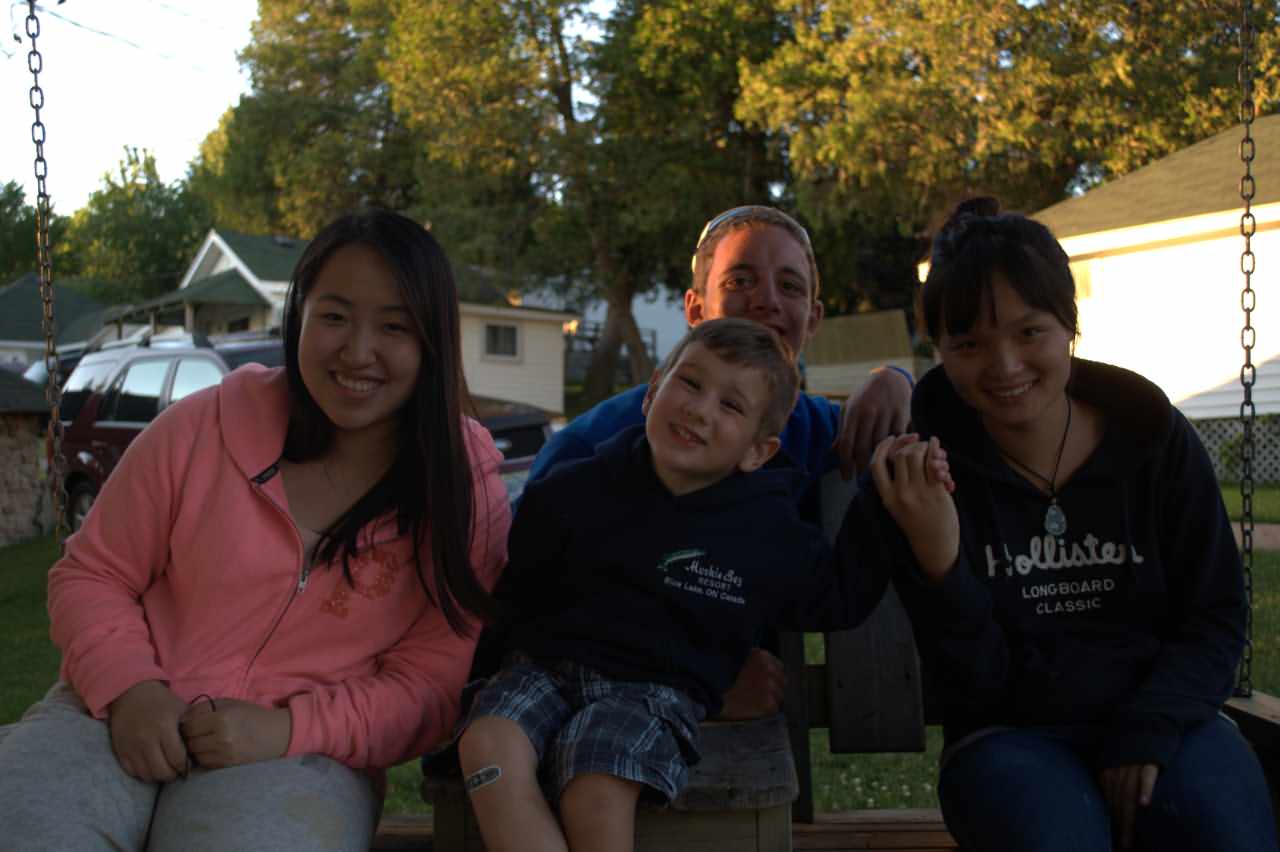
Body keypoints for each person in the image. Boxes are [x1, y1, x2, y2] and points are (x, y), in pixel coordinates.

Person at [0, 209, 511, 851]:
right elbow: (94, 573)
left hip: (303, 756)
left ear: (434, 340)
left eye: (394, 326)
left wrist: (286, 730)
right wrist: (131, 687)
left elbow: (430, 687)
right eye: (334, 316)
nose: (358, 351)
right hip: (107, 713)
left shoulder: (462, 492)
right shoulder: (200, 428)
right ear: (299, 316)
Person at [459, 318, 947, 852]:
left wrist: (880, 499)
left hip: (649, 694)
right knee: (488, 745)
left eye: (730, 405)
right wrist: (476, 676)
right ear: (653, 393)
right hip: (542, 673)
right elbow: (512, 596)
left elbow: (833, 598)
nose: (700, 409)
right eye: (690, 383)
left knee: (595, 788)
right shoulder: (571, 492)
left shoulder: (765, 530)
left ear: (757, 451)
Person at [880, 197, 1277, 852]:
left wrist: (1149, 727)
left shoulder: (1152, 438)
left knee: (1224, 832)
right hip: (1009, 740)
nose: (1004, 366)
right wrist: (941, 564)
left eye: (1029, 332)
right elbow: (974, 684)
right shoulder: (928, 471)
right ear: (939, 350)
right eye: (969, 344)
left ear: (1069, 325)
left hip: (1166, 716)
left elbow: (1216, 614)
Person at [528, 204, 915, 719]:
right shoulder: (593, 449)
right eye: (740, 280)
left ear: (813, 319)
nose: (767, 300)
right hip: (595, 714)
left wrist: (896, 380)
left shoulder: (819, 432)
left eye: (790, 286)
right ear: (695, 310)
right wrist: (703, 677)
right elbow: (533, 606)